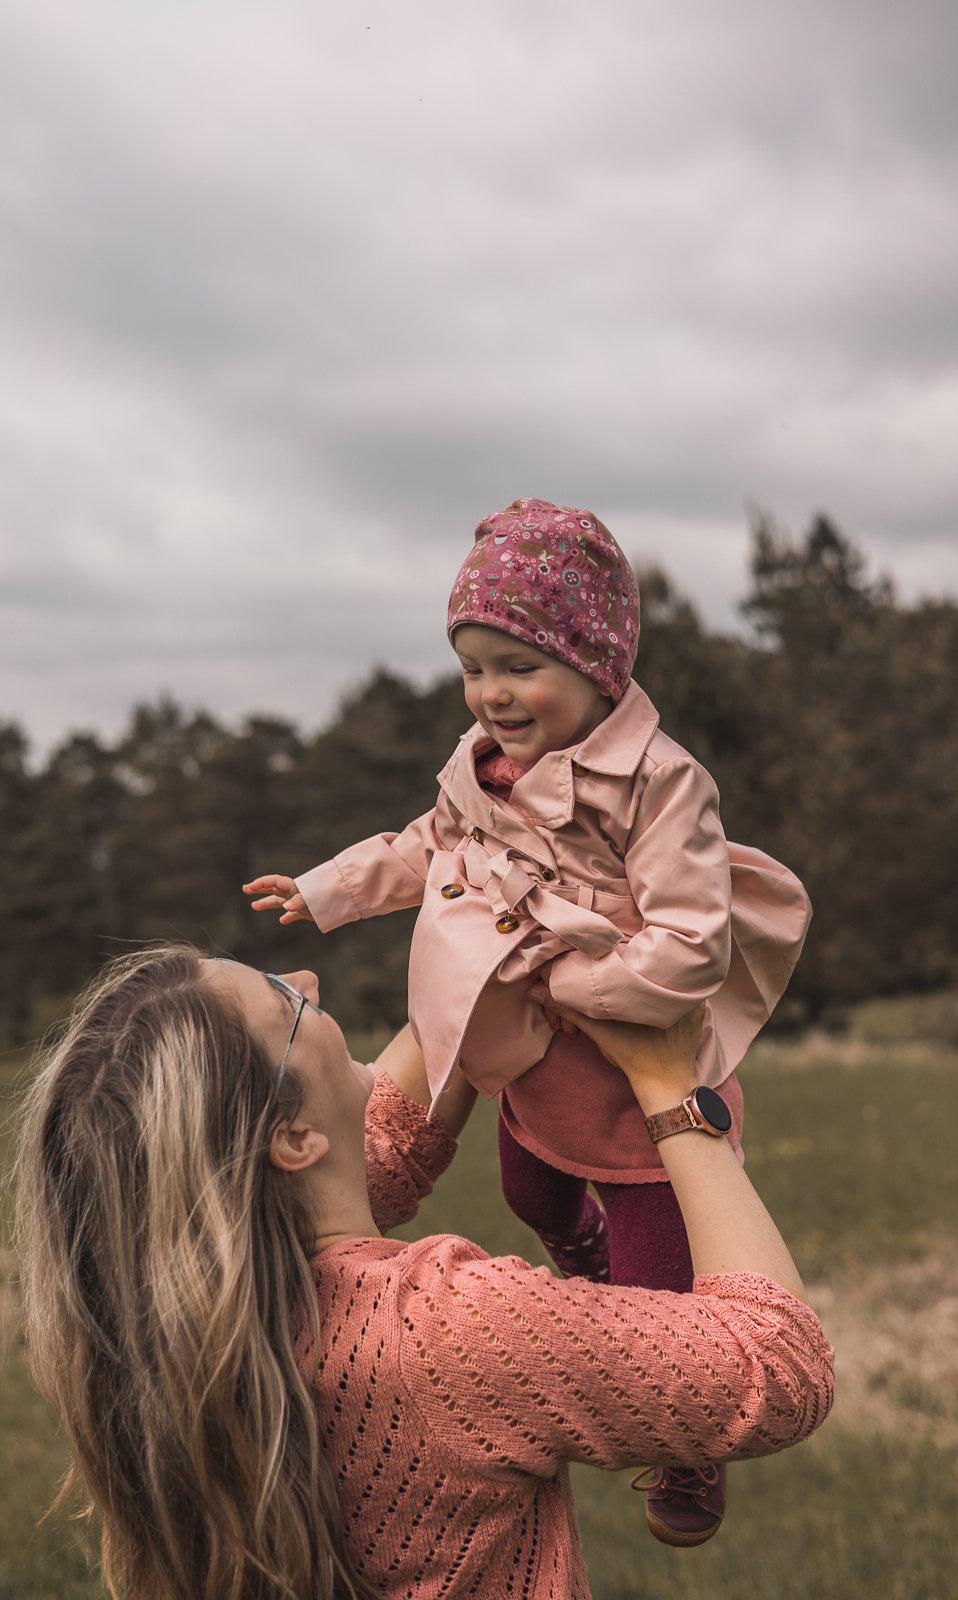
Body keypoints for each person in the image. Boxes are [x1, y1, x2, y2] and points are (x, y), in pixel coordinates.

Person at [244, 496, 813, 1543]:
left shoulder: (658, 782)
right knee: (526, 1186)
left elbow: (691, 939)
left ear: (598, 666)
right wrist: (329, 888)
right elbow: (430, 846)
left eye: (516, 665)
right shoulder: (480, 766)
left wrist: (583, 993)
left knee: (659, 1299)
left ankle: (687, 1453)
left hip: (631, 1081)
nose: (489, 694)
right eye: (470, 666)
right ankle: (581, 1254)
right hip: (534, 1071)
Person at [13, 943, 833, 1600]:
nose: (307, 976)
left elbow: (380, 1151)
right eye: (286, 1000)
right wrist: (672, 1089)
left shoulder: (172, 1320)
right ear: (291, 1138)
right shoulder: (445, 1331)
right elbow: (772, 1363)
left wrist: (480, 952)